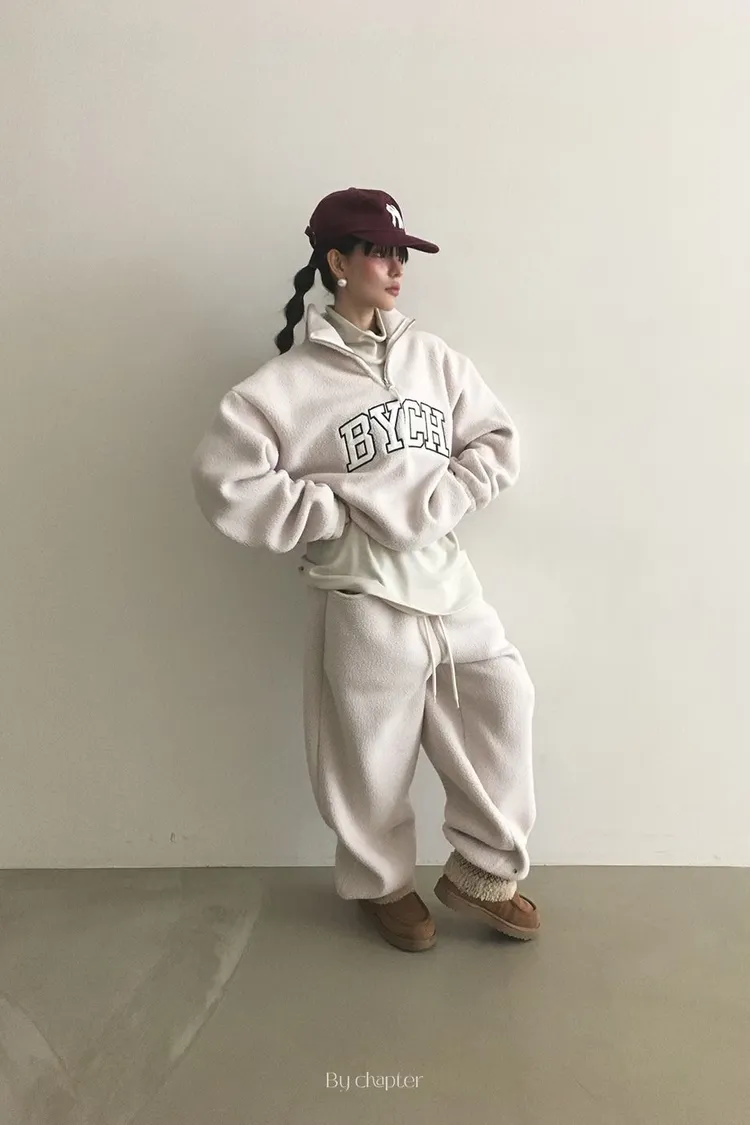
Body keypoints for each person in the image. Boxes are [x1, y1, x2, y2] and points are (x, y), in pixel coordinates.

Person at [191, 187, 539, 952]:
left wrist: (450, 494)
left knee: (504, 697)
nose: (395, 267)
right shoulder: (284, 386)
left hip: (445, 580)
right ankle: (384, 886)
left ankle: (484, 871)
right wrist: (331, 514)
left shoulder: (434, 359)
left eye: (399, 253)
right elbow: (226, 482)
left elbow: (496, 438)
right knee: (369, 752)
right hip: (361, 589)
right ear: (336, 262)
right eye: (378, 252)